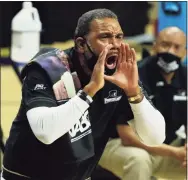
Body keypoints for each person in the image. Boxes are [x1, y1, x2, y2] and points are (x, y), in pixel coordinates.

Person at [1, 9, 165, 180]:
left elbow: (155, 138)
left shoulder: (119, 75)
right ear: (81, 44)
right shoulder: (48, 68)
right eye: (105, 37)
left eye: (119, 37)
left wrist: (134, 93)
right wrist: (90, 90)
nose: (115, 44)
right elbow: (45, 132)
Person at [98, 26, 187, 180]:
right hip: (121, 144)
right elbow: (127, 137)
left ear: (184, 52)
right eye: (165, 45)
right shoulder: (133, 75)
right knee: (139, 160)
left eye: (176, 47)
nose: (170, 51)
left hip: (165, 148)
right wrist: (174, 153)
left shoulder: (185, 77)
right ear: (154, 47)